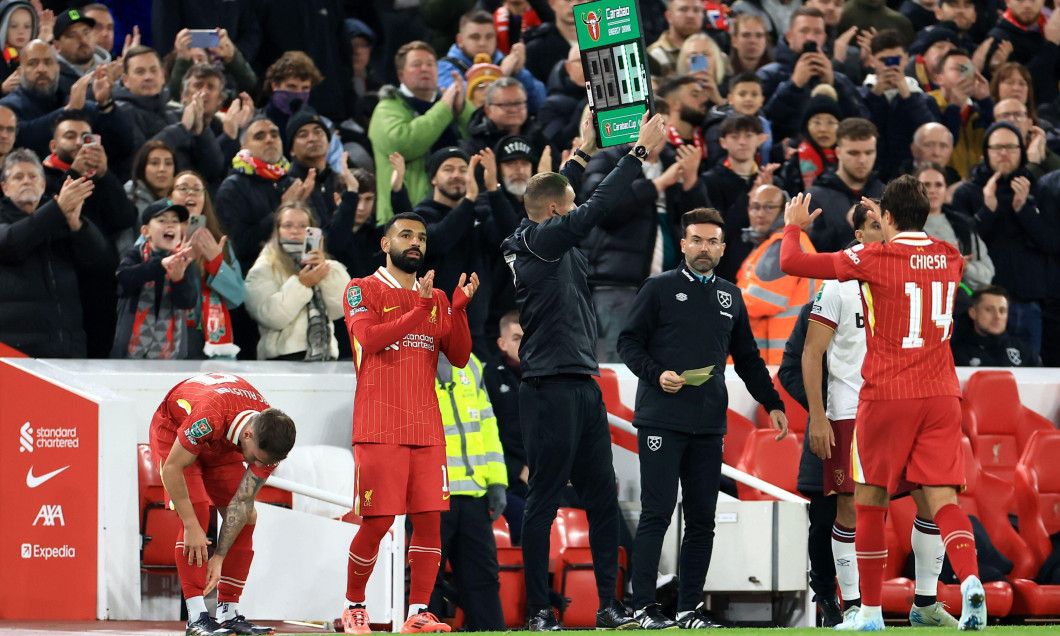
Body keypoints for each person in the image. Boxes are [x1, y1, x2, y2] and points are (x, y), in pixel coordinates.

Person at [779, 177, 987, 631]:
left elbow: (791, 261)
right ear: (926, 215)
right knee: (942, 499)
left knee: (869, 499)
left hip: (888, 394)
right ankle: (970, 579)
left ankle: (868, 612)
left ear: (886, 218)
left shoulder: (874, 256)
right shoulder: (950, 256)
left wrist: (793, 227)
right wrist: (898, 217)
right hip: (942, 394)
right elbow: (919, 246)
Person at [500, 113, 667, 631]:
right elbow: (590, 211)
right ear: (553, 212)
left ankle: (607, 606)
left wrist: (581, 149)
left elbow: (566, 199)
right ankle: (539, 610)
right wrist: (637, 156)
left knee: (601, 496)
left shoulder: (537, 234)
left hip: (581, 381)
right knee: (543, 499)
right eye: (566, 206)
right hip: (549, 385)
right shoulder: (538, 242)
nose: (575, 211)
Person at [617, 207, 787, 630]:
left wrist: (772, 403)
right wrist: (658, 375)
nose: (705, 248)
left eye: (712, 241)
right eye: (697, 240)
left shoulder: (731, 296)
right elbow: (628, 342)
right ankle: (644, 607)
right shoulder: (657, 288)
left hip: (709, 423)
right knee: (657, 513)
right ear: (683, 243)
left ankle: (689, 609)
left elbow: (748, 358)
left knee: (702, 520)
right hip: (661, 418)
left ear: (724, 247)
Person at [339, 212, 478, 635]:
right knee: (378, 522)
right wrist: (421, 306)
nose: (415, 242)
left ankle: (418, 612)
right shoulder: (360, 289)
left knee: (431, 520)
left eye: (420, 237)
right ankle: (354, 607)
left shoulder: (434, 298)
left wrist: (456, 310)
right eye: (405, 235)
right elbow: (371, 339)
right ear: (385, 244)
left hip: (426, 426)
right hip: (379, 424)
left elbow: (458, 356)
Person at [149, 372, 296, 636]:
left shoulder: (268, 442)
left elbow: (241, 504)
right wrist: (192, 526)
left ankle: (228, 613)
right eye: (256, 459)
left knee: (247, 516)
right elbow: (172, 468)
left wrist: (220, 556)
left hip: (221, 444)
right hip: (176, 431)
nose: (259, 467)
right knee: (197, 514)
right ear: (248, 434)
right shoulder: (209, 416)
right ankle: (196, 618)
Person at [580, 110, 706, 362]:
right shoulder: (607, 159)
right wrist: (657, 184)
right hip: (618, 284)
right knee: (618, 361)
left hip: (669, 284)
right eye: (650, 125)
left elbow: (701, 225)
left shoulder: (675, 162)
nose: (657, 133)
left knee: (664, 360)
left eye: (662, 126)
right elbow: (603, 211)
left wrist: (692, 182)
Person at [952, 122, 1053, 361]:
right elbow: (962, 248)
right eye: (997, 147)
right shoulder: (967, 193)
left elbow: (1052, 244)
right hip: (981, 305)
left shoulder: (1040, 190)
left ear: (1022, 150)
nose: (1004, 153)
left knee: (1031, 375)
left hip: (1029, 303)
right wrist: (987, 210)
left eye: (1010, 147)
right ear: (985, 152)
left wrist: (1024, 210)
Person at [428, 352, 508, 631]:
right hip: (430, 494)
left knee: (483, 580)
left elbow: (487, 423)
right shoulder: (405, 358)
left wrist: (497, 481)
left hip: (474, 493)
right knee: (425, 585)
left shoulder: (471, 362)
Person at [0, 148, 103, 357]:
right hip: (16, 352)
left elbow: (98, 260)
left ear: (43, 184)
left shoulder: (61, 216)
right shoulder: (54, 212)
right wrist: (57, 209)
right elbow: (10, 243)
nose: (26, 181)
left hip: (68, 347)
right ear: (4, 188)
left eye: (33, 176)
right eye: (18, 177)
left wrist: (77, 224)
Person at [369, 41, 473, 224]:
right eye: (416, 65)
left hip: (455, 214)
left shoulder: (450, 105)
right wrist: (444, 108)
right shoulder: (387, 108)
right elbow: (405, 143)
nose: (424, 69)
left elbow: (478, 138)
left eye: (430, 64)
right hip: (402, 218)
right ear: (401, 74)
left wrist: (462, 109)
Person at [245, 202, 351, 361]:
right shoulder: (264, 267)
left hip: (324, 356)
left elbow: (341, 309)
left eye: (302, 226)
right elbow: (270, 316)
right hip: (281, 359)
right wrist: (302, 285)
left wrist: (325, 273)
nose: (295, 231)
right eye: (287, 226)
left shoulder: (325, 267)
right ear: (277, 230)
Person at [757, 8, 869, 141]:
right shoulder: (768, 75)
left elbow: (861, 123)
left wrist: (834, 85)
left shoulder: (840, 80)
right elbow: (763, 123)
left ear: (824, 38)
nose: (810, 37)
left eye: (817, 32)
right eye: (804, 31)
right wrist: (793, 86)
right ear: (789, 37)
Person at [737, 185, 820, 364]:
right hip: (790, 355)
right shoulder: (772, 243)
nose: (760, 214)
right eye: (755, 207)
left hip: (784, 358)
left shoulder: (783, 243)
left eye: (768, 207)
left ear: (784, 210)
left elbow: (763, 301)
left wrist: (716, 302)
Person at [168, 170, 245, 359]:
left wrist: (216, 262)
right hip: (168, 340)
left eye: (197, 190)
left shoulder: (218, 243)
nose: (191, 193)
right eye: (183, 188)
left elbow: (238, 296)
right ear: (170, 197)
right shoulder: (157, 237)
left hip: (212, 348)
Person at [112, 199, 199, 359]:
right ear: (146, 231)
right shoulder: (135, 254)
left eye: (175, 221)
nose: (170, 225)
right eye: (162, 220)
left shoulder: (182, 260)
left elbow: (188, 302)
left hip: (171, 355)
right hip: (129, 352)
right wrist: (159, 264)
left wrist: (179, 280)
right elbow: (124, 278)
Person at [859, 30, 936, 180]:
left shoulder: (923, 99)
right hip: (869, 175)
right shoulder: (860, 96)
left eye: (896, 59)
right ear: (872, 61)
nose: (891, 66)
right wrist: (874, 96)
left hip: (910, 177)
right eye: (884, 60)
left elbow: (929, 134)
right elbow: (858, 131)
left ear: (906, 59)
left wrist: (908, 97)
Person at [437, 10, 545, 114]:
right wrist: (500, 74)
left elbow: (540, 102)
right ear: (460, 40)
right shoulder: (445, 67)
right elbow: (462, 98)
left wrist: (519, 72)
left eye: (489, 37)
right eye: (475, 37)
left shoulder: (505, 62)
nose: (483, 43)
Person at [482, 310, 528, 542]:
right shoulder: (488, 378)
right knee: (527, 514)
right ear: (502, 343)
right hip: (510, 480)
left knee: (602, 501)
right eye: (517, 338)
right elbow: (486, 437)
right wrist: (519, 470)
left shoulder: (551, 377)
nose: (525, 344)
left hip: (547, 476)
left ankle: (630, 575)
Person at [807, 118, 885, 253]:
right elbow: (809, 248)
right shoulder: (814, 197)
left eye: (869, 152)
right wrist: (847, 226)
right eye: (854, 153)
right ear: (838, 153)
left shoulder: (888, 194)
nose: (862, 160)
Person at [914, 162, 994, 295]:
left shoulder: (964, 226)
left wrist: (965, 266)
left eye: (938, 185)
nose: (932, 190)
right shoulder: (902, 228)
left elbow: (987, 274)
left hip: (961, 305)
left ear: (946, 189)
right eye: (926, 185)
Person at [925, 48, 993, 180]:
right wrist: (955, 106)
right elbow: (944, 144)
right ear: (939, 79)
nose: (965, 74)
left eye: (968, 69)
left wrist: (986, 100)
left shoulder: (980, 110)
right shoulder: (926, 104)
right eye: (958, 69)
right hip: (941, 185)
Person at [950, 285, 1038, 367]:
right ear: (973, 313)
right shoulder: (954, 354)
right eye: (989, 310)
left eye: (1002, 310)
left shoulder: (1023, 350)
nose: (997, 316)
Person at [124, 140, 176, 215]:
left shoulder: (181, 195)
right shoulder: (130, 194)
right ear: (143, 167)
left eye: (168, 163)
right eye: (154, 163)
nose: (162, 169)